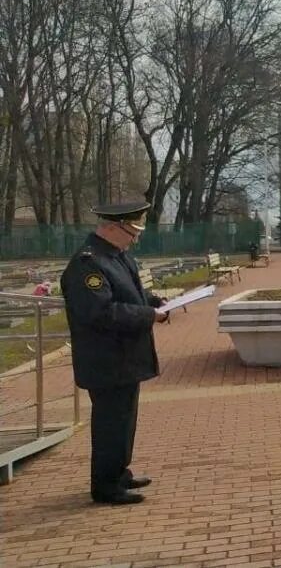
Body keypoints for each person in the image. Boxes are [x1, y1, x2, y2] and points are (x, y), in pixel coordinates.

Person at [60, 201, 169, 505]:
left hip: (125, 357)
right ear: (110, 227)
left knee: (124, 420)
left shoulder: (117, 256)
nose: (135, 238)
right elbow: (101, 312)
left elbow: (128, 292)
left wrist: (153, 301)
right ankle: (105, 486)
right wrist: (148, 316)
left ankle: (119, 472)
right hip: (106, 359)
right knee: (110, 423)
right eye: (132, 231)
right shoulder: (88, 263)